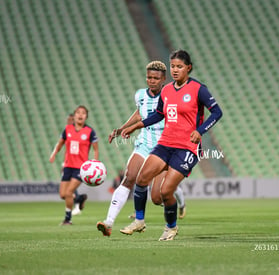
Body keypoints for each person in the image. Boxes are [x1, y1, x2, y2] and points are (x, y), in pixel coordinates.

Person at [121, 50, 223, 241]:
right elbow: (159, 114)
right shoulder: (167, 90)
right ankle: (139, 221)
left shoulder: (198, 89)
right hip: (165, 143)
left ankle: (171, 228)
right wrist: (135, 126)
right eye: (173, 66)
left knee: (166, 191)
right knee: (142, 179)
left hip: (187, 148)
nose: (175, 70)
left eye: (179, 67)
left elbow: (217, 112)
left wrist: (200, 131)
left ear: (188, 68)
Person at [96, 61, 186, 237]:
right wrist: (121, 129)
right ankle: (109, 222)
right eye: (149, 77)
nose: (152, 81)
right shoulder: (140, 95)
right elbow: (139, 113)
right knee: (129, 178)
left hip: (165, 146)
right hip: (145, 142)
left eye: (156, 78)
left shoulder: (170, 94)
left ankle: (176, 210)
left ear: (163, 79)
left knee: (158, 197)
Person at [49, 106, 99, 225]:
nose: (80, 115)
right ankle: (79, 199)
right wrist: (54, 154)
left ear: (86, 116)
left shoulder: (90, 131)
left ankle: (68, 219)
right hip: (68, 166)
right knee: (63, 195)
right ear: (74, 115)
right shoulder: (67, 129)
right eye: (78, 113)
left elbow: (96, 149)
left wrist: (95, 163)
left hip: (81, 168)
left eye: (83, 113)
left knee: (68, 192)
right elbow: (60, 143)